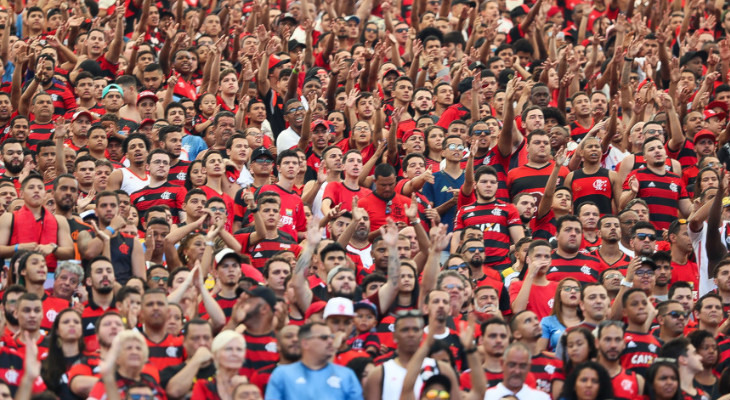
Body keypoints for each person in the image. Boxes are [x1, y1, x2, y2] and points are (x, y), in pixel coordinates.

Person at [264, 321, 362, 400]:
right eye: (324, 337)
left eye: (331, 337)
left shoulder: (347, 375)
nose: (330, 341)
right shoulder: (282, 374)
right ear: (305, 343)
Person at [191, 330, 247, 400]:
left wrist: (244, 391)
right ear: (215, 355)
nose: (235, 353)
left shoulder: (250, 386)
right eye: (228, 349)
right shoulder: (203, 387)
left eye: (239, 349)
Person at [484, 342, 551, 400]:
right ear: (502, 363)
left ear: (529, 366)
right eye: (512, 365)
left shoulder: (542, 398)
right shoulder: (487, 397)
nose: (517, 371)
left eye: (522, 366)